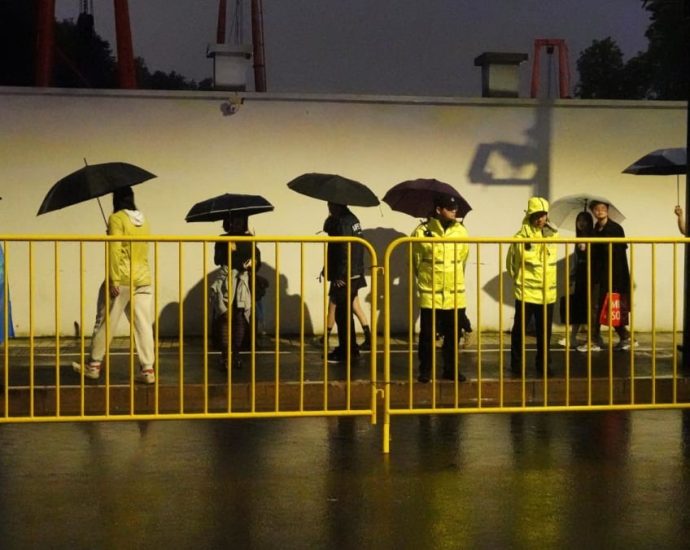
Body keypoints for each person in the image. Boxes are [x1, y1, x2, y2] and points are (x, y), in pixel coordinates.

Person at [72, 186, 155, 383]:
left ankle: (93, 365)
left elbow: (115, 250)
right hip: (143, 279)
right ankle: (148, 370)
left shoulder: (116, 218)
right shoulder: (144, 221)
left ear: (116, 199)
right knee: (143, 325)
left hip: (123, 277)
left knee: (105, 322)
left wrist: (113, 279)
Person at [412, 194, 472, 383]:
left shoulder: (462, 232)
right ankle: (425, 370)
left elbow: (463, 260)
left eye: (455, 208)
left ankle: (451, 369)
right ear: (438, 210)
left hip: (455, 294)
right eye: (449, 208)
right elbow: (416, 261)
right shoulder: (422, 231)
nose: (454, 211)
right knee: (427, 336)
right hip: (431, 294)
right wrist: (425, 282)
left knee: (453, 336)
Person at [507, 197, 558, 377]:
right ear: (529, 216)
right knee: (519, 331)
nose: (540, 219)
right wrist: (520, 280)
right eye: (536, 215)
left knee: (545, 333)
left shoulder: (554, 236)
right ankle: (516, 364)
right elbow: (511, 264)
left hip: (547, 293)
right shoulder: (520, 237)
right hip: (526, 291)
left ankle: (544, 364)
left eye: (543, 215)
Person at [577, 200, 636, 352]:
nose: (600, 211)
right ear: (593, 212)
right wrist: (585, 244)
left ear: (607, 210)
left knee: (610, 307)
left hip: (614, 275)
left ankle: (615, 338)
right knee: (598, 307)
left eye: (603, 208)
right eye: (597, 209)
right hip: (599, 275)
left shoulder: (615, 229)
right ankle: (603, 338)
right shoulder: (595, 229)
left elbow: (617, 255)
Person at [211, 213, 262, 370]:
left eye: (241, 220)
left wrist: (252, 262)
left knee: (240, 316)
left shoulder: (250, 239)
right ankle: (226, 355)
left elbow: (257, 262)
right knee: (225, 316)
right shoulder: (222, 238)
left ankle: (237, 354)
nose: (238, 223)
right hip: (227, 281)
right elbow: (218, 259)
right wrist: (230, 250)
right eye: (234, 220)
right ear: (229, 222)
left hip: (242, 281)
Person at [323, 202, 367, 363]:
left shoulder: (343, 222)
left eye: (330, 204)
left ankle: (346, 351)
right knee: (346, 312)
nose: (328, 207)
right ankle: (351, 348)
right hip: (353, 272)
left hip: (346, 274)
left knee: (342, 314)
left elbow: (344, 249)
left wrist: (341, 275)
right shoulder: (352, 220)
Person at [558, 210, 593, 346]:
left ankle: (591, 338)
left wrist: (587, 248)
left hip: (590, 276)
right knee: (579, 307)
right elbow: (576, 260)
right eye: (579, 220)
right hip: (580, 276)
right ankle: (573, 337)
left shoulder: (592, 236)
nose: (582, 223)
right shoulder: (578, 238)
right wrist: (572, 276)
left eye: (585, 220)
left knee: (590, 308)